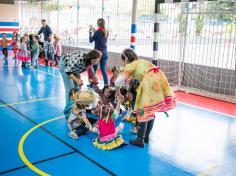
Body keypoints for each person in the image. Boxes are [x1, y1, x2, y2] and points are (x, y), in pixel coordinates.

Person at [115, 48, 176, 148]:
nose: (123, 62)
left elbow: (118, 82)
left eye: (123, 60)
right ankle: (146, 137)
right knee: (150, 110)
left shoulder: (130, 65)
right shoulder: (142, 61)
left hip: (148, 84)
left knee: (142, 111)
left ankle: (140, 140)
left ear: (125, 58)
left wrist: (118, 93)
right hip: (158, 81)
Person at [89, 18, 109, 85]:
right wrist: (95, 32)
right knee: (103, 70)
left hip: (97, 54)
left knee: (93, 69)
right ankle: (106, 85)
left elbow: (91, 40)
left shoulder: (97, 32)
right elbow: (101, 39)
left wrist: (90, 32)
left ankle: (92, 83)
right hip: (105, 53)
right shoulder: (106, 31)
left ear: (98, 24)